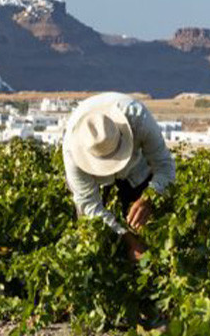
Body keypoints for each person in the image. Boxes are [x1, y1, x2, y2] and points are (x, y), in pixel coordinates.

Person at [63, 92, 176, 260]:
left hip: (136, 169)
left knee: (145, 219)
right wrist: (130, 242)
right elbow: (89, 206)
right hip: (92, 176)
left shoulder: (139, 119)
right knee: (93, 230)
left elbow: (165, 166)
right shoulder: (73, 152)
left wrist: (149, 197)